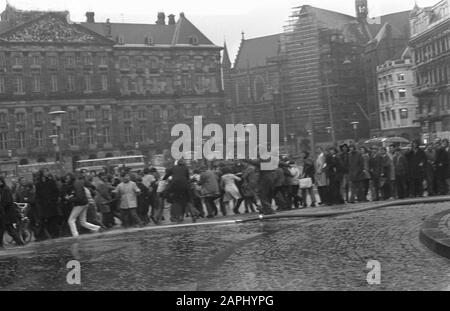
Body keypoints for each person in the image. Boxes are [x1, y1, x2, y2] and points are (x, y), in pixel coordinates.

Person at [66, 173, 101, 237]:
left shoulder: (75, 184)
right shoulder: (79, 182)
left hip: (80, 204)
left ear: (70, 178)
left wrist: (69, 199)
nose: (66, 180)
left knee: (71, 220)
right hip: (85, 203)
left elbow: (79, 197)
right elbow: (87, 185)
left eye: (67, 178)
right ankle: (97, 228)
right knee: (83, 222)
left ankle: (75, 235)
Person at [35, 168, 61, 239]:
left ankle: (55, 234)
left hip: (51, 204)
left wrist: (53, 200)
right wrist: (40, 202)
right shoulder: (38, 183)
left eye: (47, 171)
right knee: (46, 220)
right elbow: (38, 195)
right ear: (42, 173)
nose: (47, 173)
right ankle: (46, 235)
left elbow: (56, 192)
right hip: (43, 206)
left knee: (53, 219)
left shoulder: (51, 181)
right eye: (45, 171)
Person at [0, 176, 25, 248]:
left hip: (7, 213)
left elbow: (6, 201)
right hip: (3, 213)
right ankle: (2, 245)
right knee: (5, 230)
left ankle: (20, 243)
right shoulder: (2, 189)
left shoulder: (6, 189)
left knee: (9, 230)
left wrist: (1, 207)